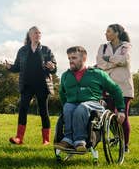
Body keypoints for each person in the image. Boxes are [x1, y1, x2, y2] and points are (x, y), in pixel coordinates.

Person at [55, 46, 125, 152]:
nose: (70, 61)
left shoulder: (97, 74)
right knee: (68, 107)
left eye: (73, 58)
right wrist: (66, 106)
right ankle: (68, 139)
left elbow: (115, 90)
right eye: (69, 58)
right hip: (73, 104)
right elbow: (62, 94)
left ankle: (80, 141)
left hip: (94, 104)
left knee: (82, 107)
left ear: (83, 59)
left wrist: (121, 110)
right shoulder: (65, 75)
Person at [5, 26, 57, 145]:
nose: (37, 35)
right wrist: (10, 67)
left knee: (43, 111)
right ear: (29, 35)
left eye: (39, 33)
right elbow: (17, 67)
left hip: (42, 84)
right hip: (27, 84)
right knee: (23, 109)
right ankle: (19, 138)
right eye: (35, 33)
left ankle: (46, 140)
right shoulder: (22, 50)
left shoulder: (46, 50)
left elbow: (54, 67)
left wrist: (52, 67)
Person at [96, 24, 133, 153]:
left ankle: (125, 145)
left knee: (122, 116)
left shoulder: (126, 46)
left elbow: (124, 60)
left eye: (108, 31)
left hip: (124, 87)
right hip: (107, 86)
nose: (106, 34)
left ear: (116, 33)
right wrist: (114, 63)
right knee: (109, 116)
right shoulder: (103, 47)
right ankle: (118, 137)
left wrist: (109, 59)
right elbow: (100, 64)